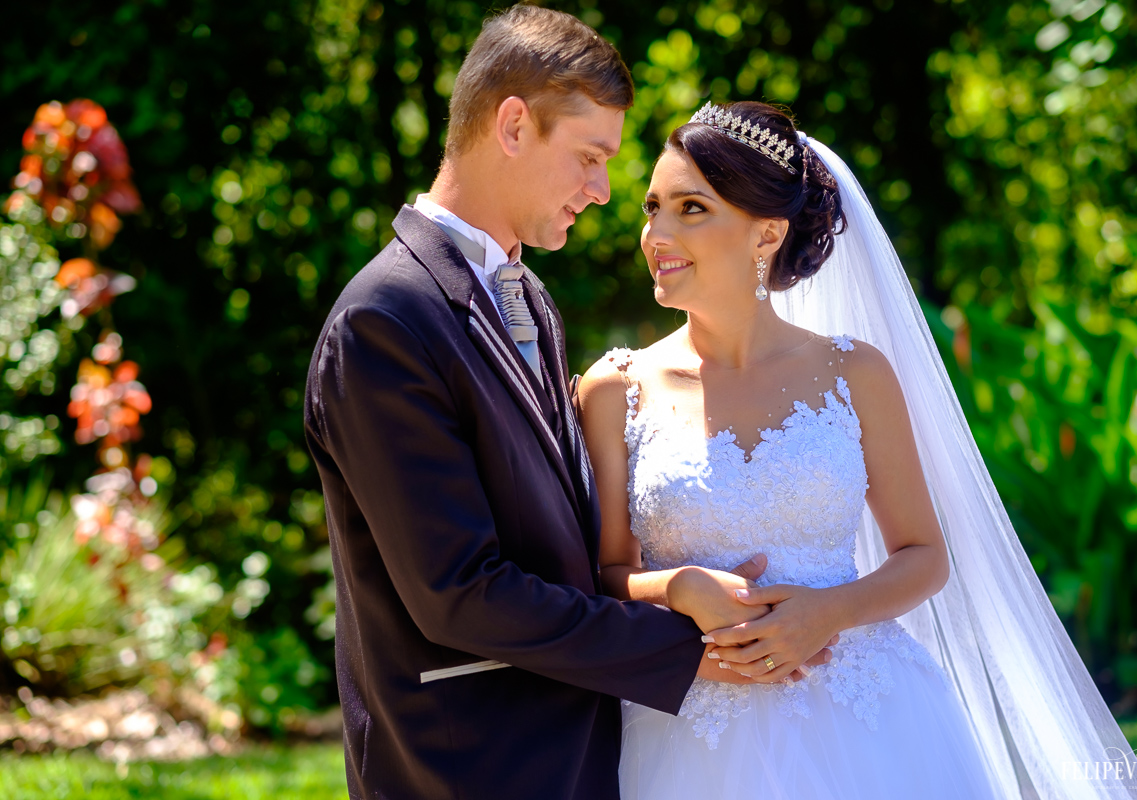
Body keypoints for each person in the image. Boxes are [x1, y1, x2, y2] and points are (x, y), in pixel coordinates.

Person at [302, 10, 831, 800]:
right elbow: (460, 591)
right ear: (513, 125)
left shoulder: (527, 299)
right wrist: (679, 646)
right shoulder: (385, 320)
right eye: (589, 157)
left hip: (570, 751)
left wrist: (676, 583)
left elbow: (564, 540)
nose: (603, 191)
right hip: (465, 762)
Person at [578, 101, 1137, 799]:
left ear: (766, 233)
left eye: (690, 208)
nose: (655, 233)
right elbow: (607, 572)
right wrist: (674, 588)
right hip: (689, 722)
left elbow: (923, 555)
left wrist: (828, 612)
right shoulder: (616, 388)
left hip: (865, 714)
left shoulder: (854, 374)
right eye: (651, 207)